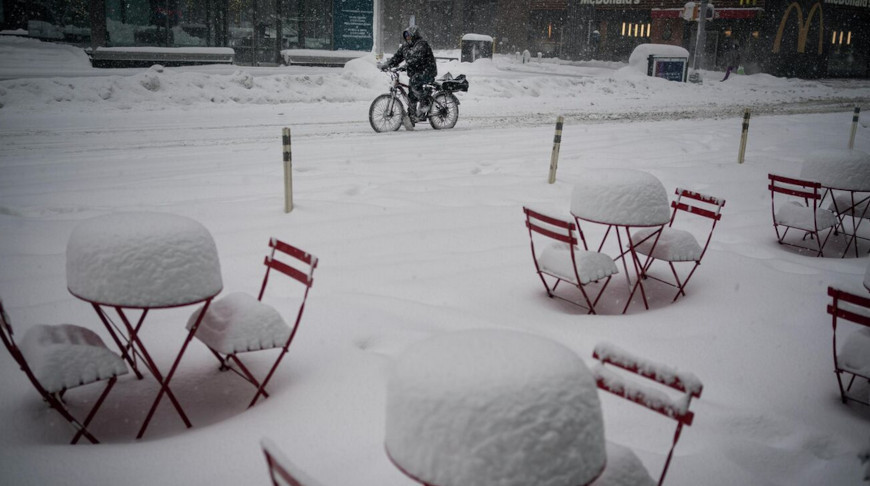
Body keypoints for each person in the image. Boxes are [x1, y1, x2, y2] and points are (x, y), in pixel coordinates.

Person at [379, 25, 438, 121]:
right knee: (412, 94)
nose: (407, 38)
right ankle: (412, 116)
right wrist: (387, 65)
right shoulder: (405, 46)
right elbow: (396, 58)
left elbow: (416, 59)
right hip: (416, 73)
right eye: (406, 36)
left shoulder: (421, 44)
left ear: (414, 35)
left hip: (427, 71)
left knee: (414, 81)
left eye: (409, 35)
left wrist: (405, 66)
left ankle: (425, 103)